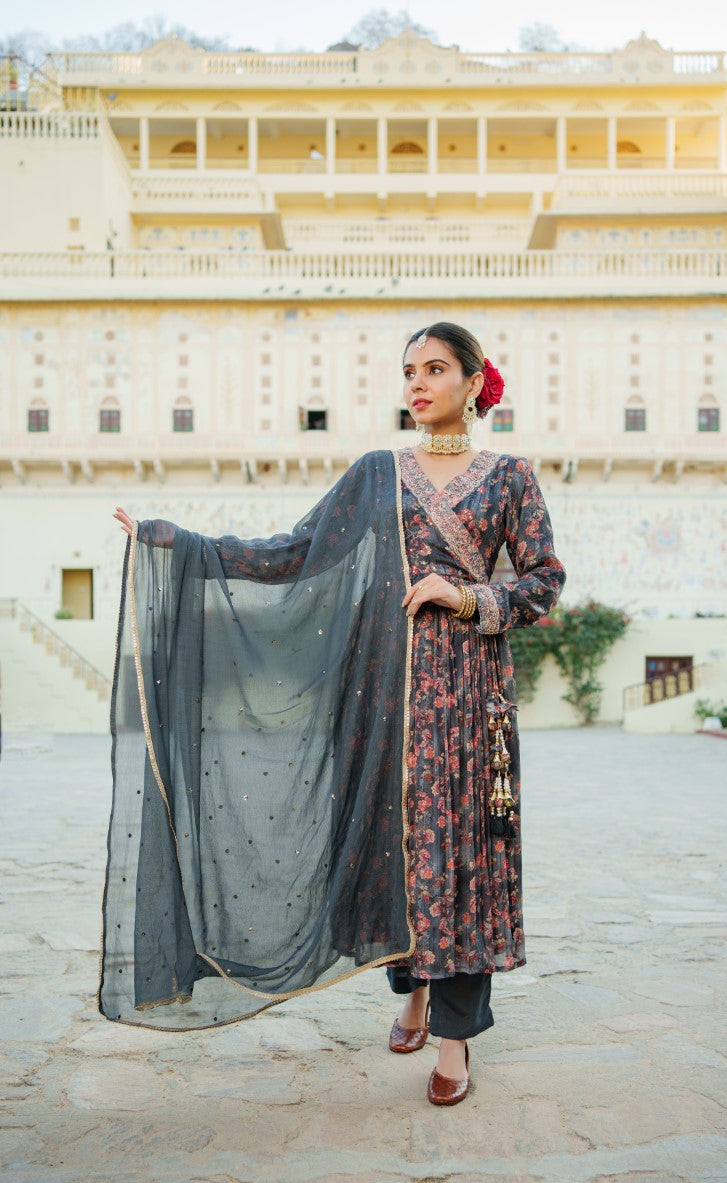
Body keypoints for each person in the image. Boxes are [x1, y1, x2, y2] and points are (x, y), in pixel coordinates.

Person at [105, 320, 565, 1107]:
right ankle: (412, 992)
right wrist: (177, 544)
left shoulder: (509, 477)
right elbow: (296, 552)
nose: (417, 384)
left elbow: (545, 583)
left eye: (436, 369)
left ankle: (455, 1041)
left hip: (470, 699)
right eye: (408, 371)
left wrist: (467, 595)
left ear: (473, 382)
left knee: (462, 860)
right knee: (399, 852)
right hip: (385, 695)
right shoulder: (375, 474)